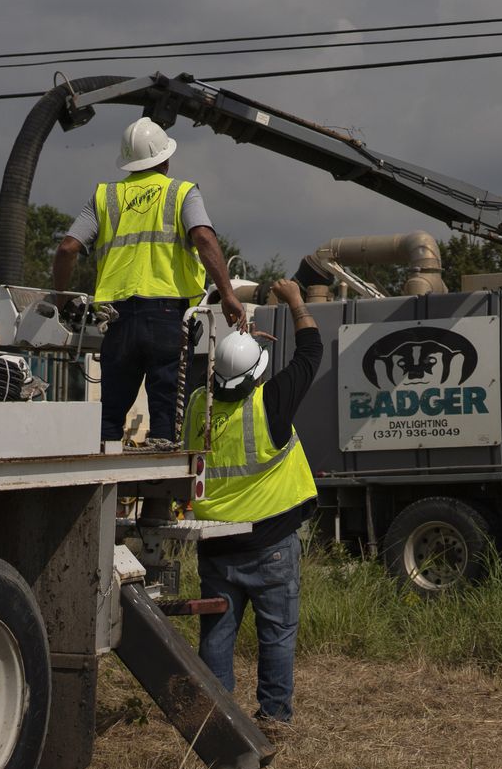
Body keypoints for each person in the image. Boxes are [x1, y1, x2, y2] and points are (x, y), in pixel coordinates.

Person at [52, 117, 245, 446]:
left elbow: (68, 248)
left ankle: (104, 478)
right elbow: (203, 237)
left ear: (128, 162)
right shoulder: (181, 192)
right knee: (165, 414)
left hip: (116, 320)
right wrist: (227, 294)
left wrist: (60, 299)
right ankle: (159, 490)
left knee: (109, 415)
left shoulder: (104, 196)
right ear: (166, 159)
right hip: (168, 317)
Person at [183, 278, 320, 725]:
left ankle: (216, 722)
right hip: (272, 544)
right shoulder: (271, 402)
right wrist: (297, 302)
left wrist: (236, 347)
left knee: (217, 639)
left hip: (217, 546)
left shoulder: (198, 405)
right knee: (276, 636)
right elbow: (310, 353)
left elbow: (208, 373)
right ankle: (274, 720)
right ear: (258, 373)